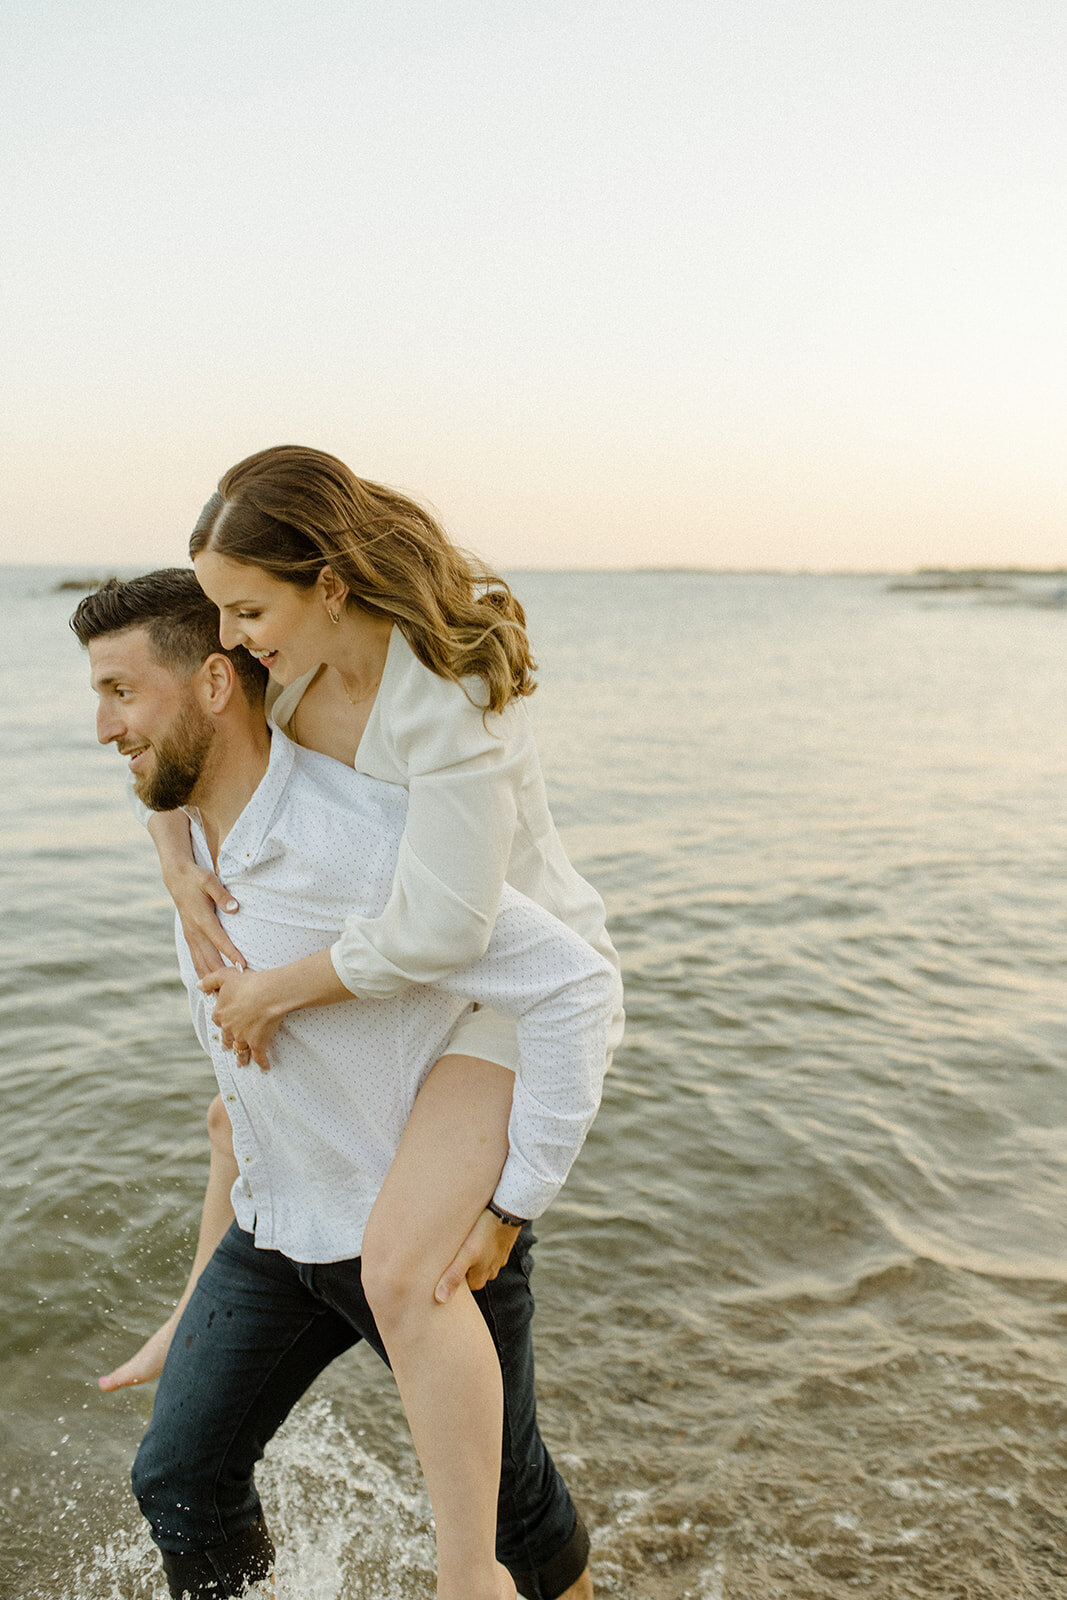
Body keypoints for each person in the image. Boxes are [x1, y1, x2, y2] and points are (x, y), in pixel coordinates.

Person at [126, 448, 624, 1596]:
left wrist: (272, 990)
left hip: (508, 993)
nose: (233, 636)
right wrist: (171, 858)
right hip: (417, 986)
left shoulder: (448, 699)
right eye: (221, 613)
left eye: (249, 608)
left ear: (330, 585)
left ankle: (473, 1578)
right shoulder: (283, 667)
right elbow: (174, 743)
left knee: (410, 1270)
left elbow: (445, 933)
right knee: (235, 1131)